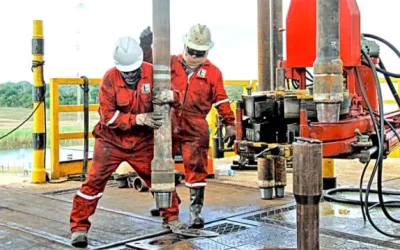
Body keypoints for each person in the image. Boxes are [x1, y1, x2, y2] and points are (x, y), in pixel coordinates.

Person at [69, 36, 186, 248]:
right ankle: (78, 228)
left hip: (141, 141)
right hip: (111, 141)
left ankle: (172, 218)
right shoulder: (109, 79)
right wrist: (138, 119)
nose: (131, 74)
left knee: (159, 178)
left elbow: (179, 96)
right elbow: (108, 117)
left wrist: (172, 95)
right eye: (126, 71)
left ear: (141, 62)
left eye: (134, 69)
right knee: (94, 181)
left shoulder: (153, 73)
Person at [140, 24, 236, 229]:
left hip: (195, 126)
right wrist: (145, 45)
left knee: (196, 169)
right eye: (191, 51)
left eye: (198, 53)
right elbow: (147, 65)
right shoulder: (170, 63)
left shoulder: (213, 73)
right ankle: (167, 204)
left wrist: (230, 123)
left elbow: (221, 100)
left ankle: (195, 212)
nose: (193, 55)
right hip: (168, 122)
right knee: (158, 164)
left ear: (207, 51)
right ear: (184, 46)